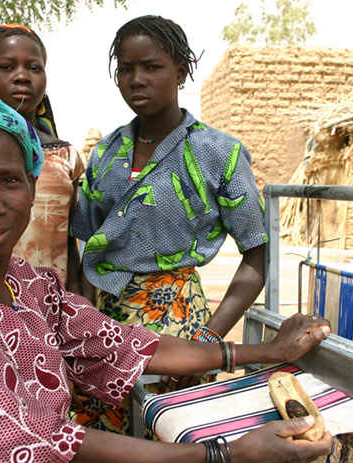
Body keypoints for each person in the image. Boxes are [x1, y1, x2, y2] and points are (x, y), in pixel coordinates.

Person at [0, 87, 332, 463]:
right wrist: (227, 456)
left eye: (8, 181)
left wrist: (267, 351)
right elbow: (25, 444)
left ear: (32, 186)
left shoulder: (27, 284)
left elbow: (126, 344)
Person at [69, 15, 268, 434]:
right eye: (126, 68)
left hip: (181, 328)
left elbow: (256, 254)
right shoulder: (106, 153)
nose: (136, 79)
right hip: (106, 329)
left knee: (174, 450)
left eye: (152, 67)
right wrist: (85, 330)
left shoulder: (218, 153)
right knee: (112, 460)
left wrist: (208, 342)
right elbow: (84, 245)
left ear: (180, 71)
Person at [0, 24, 85, 291]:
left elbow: (70, 246)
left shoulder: (65, 155)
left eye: (34, 68)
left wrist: (75, 300)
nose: (22, 76)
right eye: (7, 67)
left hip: (52, 309)